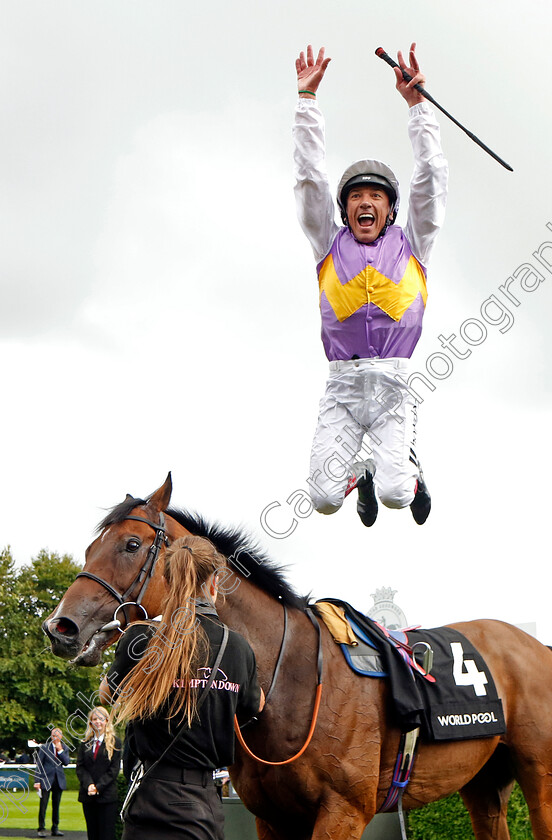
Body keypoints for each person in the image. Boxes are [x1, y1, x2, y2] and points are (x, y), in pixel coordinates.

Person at [294, 44, 448, 527]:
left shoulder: (414, 245)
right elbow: (309, 179)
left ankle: (413, 475)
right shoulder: (327, 245)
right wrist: (306, 101)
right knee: (321, 498)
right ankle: (358, 472)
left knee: (399, 495)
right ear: (344, 210)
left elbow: (431, 179)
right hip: (341, 386)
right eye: (356, 196)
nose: (365, 203)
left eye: (375, 196)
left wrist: (418, 107)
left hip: (393, 385)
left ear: (389, 209)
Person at [100, 535, 264, 840]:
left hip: (149, 795)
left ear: (166, 580)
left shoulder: (140, 639)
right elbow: (255, 706)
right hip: (202, 804)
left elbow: (108, 695)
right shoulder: (238, 648)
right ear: (215, 583)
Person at [76, 707, 122, 840]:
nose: (98, 722)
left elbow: (113, 769)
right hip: (88, 796)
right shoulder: (85, 743)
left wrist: (98, 787)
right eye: (94, 719)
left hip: (106, 796)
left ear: (107, 721)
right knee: (92, 834)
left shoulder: (115, 743)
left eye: (101, 719)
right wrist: (89, 784)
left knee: (106, 835)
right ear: (90, 722)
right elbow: (80, 767)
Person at [33, 727, 70, 838]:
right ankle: (41, 828)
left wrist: (60, 750)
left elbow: (66, 762)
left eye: (58, 736)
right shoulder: (44, 748)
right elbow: (39, 765)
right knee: (43, 805)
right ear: (51, 736)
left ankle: (55, 828)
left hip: (58, 781)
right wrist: (37, 781)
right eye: (54, 736)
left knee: (56, 805)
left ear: (61, 737)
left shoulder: (64, 748)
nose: (56, 738)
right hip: (46, 780)